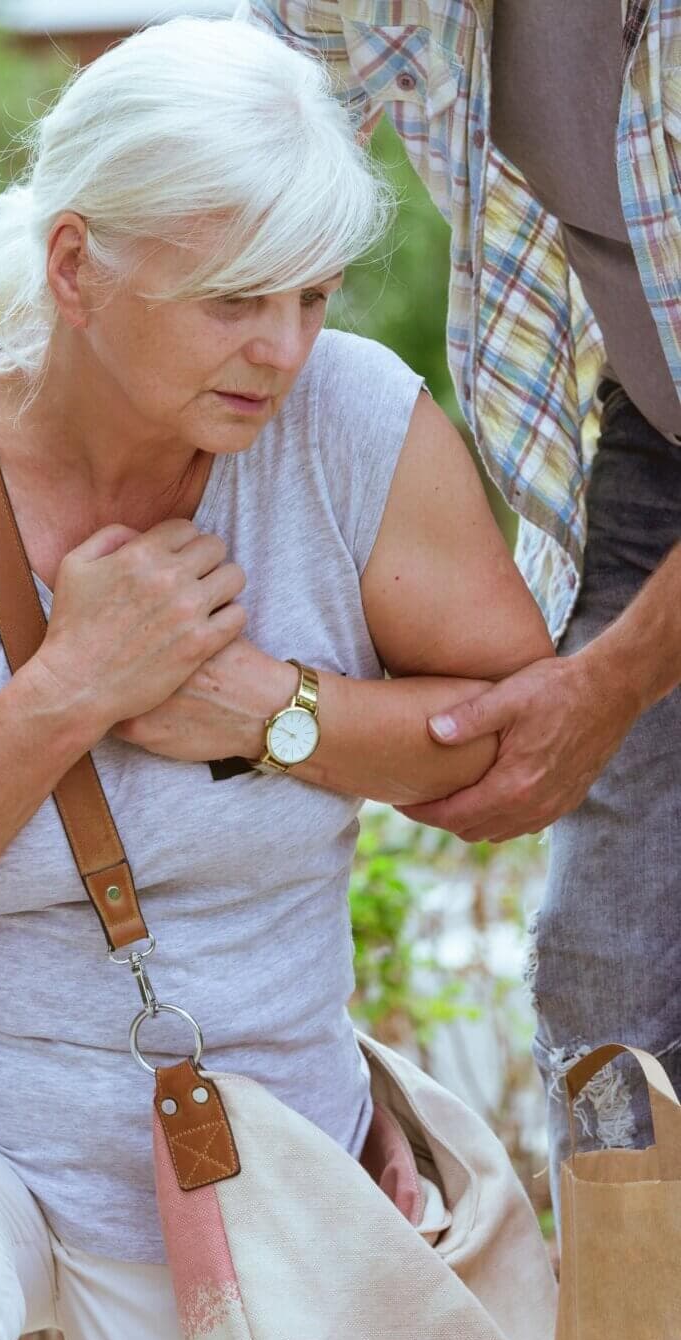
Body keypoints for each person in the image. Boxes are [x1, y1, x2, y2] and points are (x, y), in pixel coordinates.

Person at [0, 17, 552, 1340]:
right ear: (74, 265)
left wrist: (267, 711)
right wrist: (68, 687)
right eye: (236, 296)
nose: (285, 349)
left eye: (312, 295)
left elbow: (526, 749)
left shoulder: (352, 423)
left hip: (249, 1142)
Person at [241, 0, 681, 1238]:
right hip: (654, 435)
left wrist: (608, 685)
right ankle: (631, 1330)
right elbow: (218, 137)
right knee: (608, 978)